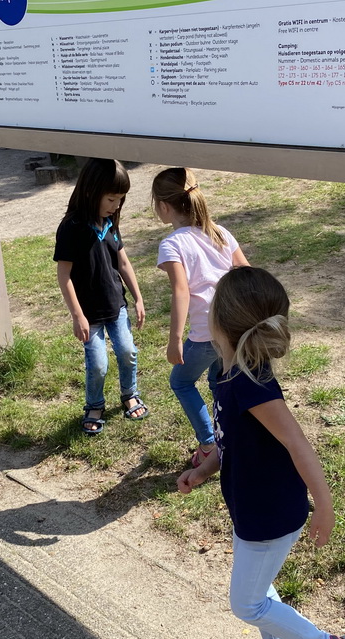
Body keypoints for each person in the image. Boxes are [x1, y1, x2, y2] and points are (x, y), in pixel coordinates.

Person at [177, 266, 345, 639]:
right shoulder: (226, 373)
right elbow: (228, 438)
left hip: (270, 511)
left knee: (247, 603)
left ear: (220, 323)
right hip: (249, 504)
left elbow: (298, 444)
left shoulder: (253, 385)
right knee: (258, 588)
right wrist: (204, 469)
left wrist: (325, 506)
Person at [153, 168, 249, 467]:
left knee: (181, 382)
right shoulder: (219, 232)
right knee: (220, 381)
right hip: (233, 329)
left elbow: (181, 292)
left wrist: (175, 340)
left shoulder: (172, 244)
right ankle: (230, 436)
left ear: (164, 207)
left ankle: (209, 445)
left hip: (206, 334)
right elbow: (245, 272)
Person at [54, 158, 147, 435]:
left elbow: (124, 263)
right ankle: (94, 405)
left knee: (127, 351)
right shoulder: (71, 227)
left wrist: (138, 297)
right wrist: (77, 315)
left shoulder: (109, 223)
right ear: (90, 191)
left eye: (120, 199)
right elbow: (64, 276)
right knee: (97, 363)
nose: (116, 205)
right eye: (111, 198)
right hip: (89, 314)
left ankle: (129, 393)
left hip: (116, 305)